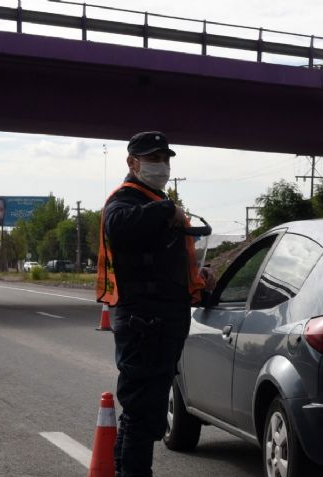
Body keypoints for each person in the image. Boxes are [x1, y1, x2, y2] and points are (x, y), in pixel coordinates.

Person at [96, 131, 215, 477]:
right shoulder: (126, 200)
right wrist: (167, 209)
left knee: (141, 414)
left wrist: (199, 281)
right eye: (153, 159)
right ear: (132, 163)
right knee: (144, 416)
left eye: (165, 159)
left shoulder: (151, 199)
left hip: (162, 323)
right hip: (144, 324)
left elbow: (165, 262)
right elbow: (117, 225)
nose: (161, 166)